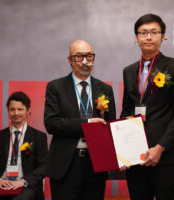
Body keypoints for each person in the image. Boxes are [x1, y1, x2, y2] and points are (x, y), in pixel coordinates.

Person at [120, 14, 174, 200]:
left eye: (154, 32)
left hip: (165, 155)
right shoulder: (128, 71)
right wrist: (123, 152)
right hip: (135, 156)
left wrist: (160, 147)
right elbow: (126, 111)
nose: (148, 37)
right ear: (136, 38)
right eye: (143, 33)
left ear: (163, 36)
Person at [44, 40, 116, 200]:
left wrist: (119, 155)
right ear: (70, 60)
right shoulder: (55, 87)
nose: (85, 61)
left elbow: (110, 126)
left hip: (96, 164)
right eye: (79, 57)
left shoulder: (105, 89)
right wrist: (88, 123)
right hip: (66, 164)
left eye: (89, 56)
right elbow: (51, 123)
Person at [0, 91, 48, 200]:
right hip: (2, 183)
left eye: (20, 109)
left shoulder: (38, 137)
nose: (16, 113)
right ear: (8, 111)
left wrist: (23, 181)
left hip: (25, 185)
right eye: (12, 109)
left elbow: (44, 166)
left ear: (28, 112)